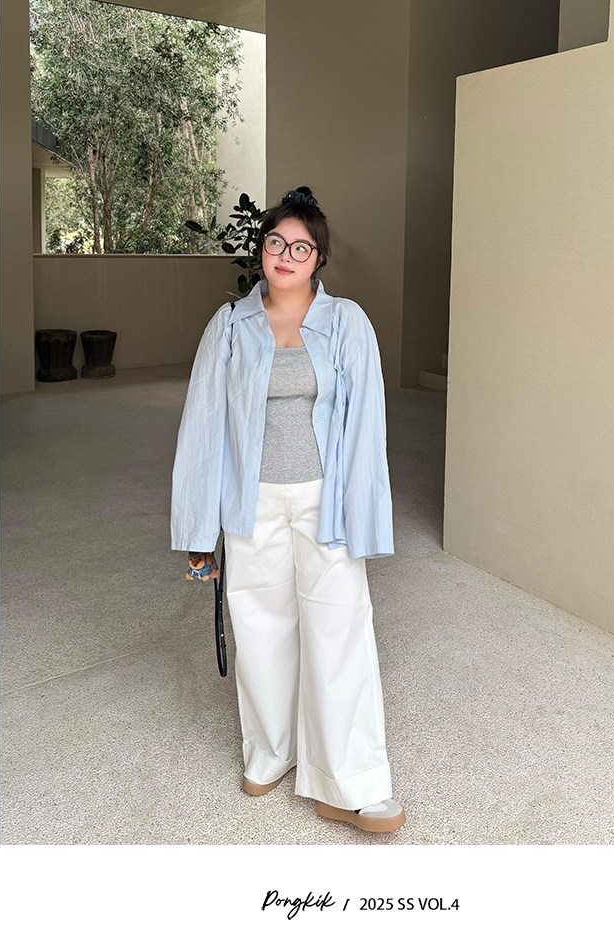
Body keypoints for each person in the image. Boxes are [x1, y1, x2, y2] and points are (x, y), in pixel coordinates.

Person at [170, 186, 405, 834]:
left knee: (339, 631)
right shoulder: (229, 326)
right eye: (276, 241)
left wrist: (365, 517)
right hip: (251, 506)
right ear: (262, 248)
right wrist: (198, 529)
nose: (286, 254)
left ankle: (349, 783)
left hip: (324, 500)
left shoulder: (347, 323)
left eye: (302, 247)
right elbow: (202, 430)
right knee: (260, 629)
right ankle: (270, 753)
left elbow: (367, 427)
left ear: (318, 258)